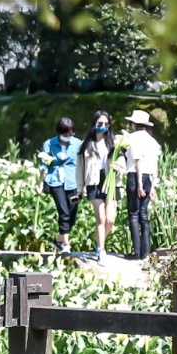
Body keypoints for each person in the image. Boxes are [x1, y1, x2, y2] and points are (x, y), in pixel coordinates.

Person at [37, 118, 82, 253]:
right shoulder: (49, 144)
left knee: (72, 216)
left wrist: (83, 184)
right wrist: (40, 184)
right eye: (65, 134)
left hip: (72, 181)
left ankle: (58, 240)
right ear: (59, 132)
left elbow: (81, 164)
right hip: (55, 181)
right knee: (64, 213)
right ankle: (66, 245)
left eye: (71, 134)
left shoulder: (78, 143)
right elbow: (43, 165)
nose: (68, 137)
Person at [77, 110, 117, 258]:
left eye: (106, 124)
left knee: (110, 219)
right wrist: (80, 189)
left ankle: (100, 242)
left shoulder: (114, 143)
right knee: (101, 217)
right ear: (94, 124)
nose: (103, 126)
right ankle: (101, 249)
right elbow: (80, 168)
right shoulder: (86, 144)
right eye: (100, 123)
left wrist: (119, 167)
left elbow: (122, 162)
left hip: (111, 181)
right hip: (94, 181)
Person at [123, 109, 161, 260]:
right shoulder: (152, 141)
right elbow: (155, 165)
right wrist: (152, 186)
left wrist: (138, 183)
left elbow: (137, 161)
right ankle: (145, 252)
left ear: (134, 124)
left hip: (135, 176)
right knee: (144, 214)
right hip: (149, 178)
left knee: (133, 214)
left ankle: (136, 252)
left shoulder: (133, 138)